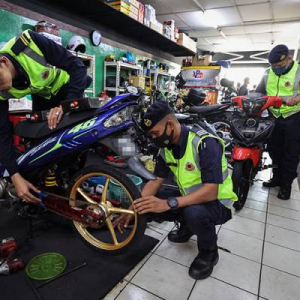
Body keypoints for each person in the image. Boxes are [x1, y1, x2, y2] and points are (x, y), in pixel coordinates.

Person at [113, 101, 237, 280]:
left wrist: (168, 204)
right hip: (191, 198)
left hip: (218, 202)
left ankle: (209, 253)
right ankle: (187, 226)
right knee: (151, 199)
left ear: (170, 125)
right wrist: (131, 209)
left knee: (193, 212)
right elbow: (155, 182)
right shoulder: (166, 148)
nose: (153, 139)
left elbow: (211, 192)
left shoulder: (205, 143)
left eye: (155, 133)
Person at [0, 29, 90, 203]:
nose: (0, 89)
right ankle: (49, 183)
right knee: (41, 142)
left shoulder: (29, 42)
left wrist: (66, 105)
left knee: (77, 137)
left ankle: (75, 179)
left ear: (3, 61)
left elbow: (78, 67)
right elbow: (2, 133)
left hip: (67, 89)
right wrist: (15, 176)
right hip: (42, 99)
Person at [256, 44, 300, 200]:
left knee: (291, 152)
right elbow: (259, 91)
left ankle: (286, 185)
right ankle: (276, 178)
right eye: (273, 66)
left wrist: (297, 98)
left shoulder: (298, 71)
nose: (276, 69)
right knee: (274, 150)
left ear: (289, 58)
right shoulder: (268, 73)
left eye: (279, 66)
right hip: (274, 116)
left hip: (293, 116)